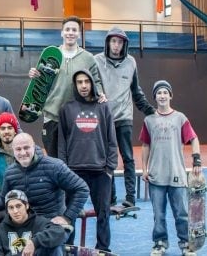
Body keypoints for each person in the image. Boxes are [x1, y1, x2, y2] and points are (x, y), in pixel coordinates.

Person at [0, 133, 89, 237]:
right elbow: (2, 199)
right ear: (13, 151)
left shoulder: (54, 166)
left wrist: (67, 217)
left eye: (26, 148)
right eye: (18, 149)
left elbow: (82, 189)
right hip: (27, 226)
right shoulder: (10, 173)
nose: (23, 153)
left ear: (34, 147)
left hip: (53, 225)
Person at [94, 27, 155, 207]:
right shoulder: (96, 61)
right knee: (106, 160)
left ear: (124, 44)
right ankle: (110, 198)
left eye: (120, 42)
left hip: (124, 117)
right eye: (113, 41)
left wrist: (151, 111)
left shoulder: (131, 62)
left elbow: (136, 92)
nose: (116, 45)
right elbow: (91, 88)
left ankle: (130, 198)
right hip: (104, 119)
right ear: (107, 42)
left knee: (128, 157)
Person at [28, 16, 105, 158]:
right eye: (67, 29)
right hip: (52, 116)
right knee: (54, 160)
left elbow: (96, 80)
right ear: (62, 33)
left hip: (77, 117)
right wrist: (35, 74)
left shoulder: (88, 58)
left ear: (79, 34)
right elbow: (41, 82)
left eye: (74, 30)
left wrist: (100, 93)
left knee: (75, 160)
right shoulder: (51, 55)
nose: (70, 33)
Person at [140, 80, 202, 256]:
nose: (162, 95)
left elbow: (194, 139)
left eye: (165, 92)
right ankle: (159, 243)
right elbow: (145, 145)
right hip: (156, 176)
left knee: (181, 214)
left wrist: (196, 160)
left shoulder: (180, 118)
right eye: (159, 93)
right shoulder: (149, 120)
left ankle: (186, 245)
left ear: (170, 95)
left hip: (177, 175)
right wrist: (144, 169)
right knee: (158, 215)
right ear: (155, 97)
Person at [58, 71, 117, 252]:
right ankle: (69, 248)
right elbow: (62, 141)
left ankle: (103, 249)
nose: (83, 85)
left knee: (103, 214)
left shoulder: (103, 107)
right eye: (79, 82)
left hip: (100, 171)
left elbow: (111, 139)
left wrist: (110, 168)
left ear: (92, 83)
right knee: (70, 214)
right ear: (74, 85)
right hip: (74, 171)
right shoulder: (67, 109)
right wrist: (63, 168)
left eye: (86, 82)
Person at [0, 190, 65, 256]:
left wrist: (34, 242)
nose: (15, 211)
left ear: (27, 206)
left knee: (56, 246)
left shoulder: (39, 222)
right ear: (7, 211)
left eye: (18, 206)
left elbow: (59, 231)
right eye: (11, 207)